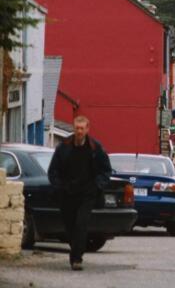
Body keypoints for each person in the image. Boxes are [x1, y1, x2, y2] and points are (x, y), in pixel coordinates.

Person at [48, 115, 112, 271]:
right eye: (77, 128)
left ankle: (77, 259)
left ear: (88, 129)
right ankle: (75, 251)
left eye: (82, 128)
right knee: (70, 227)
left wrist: (97, 186)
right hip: (67, 194)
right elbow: (53, 171)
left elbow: (106, 171)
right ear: (73, 128)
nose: (79, 131)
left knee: (81, 224)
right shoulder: (63, 147)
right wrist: (59, 186)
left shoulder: (95, 148)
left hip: (87, 194)